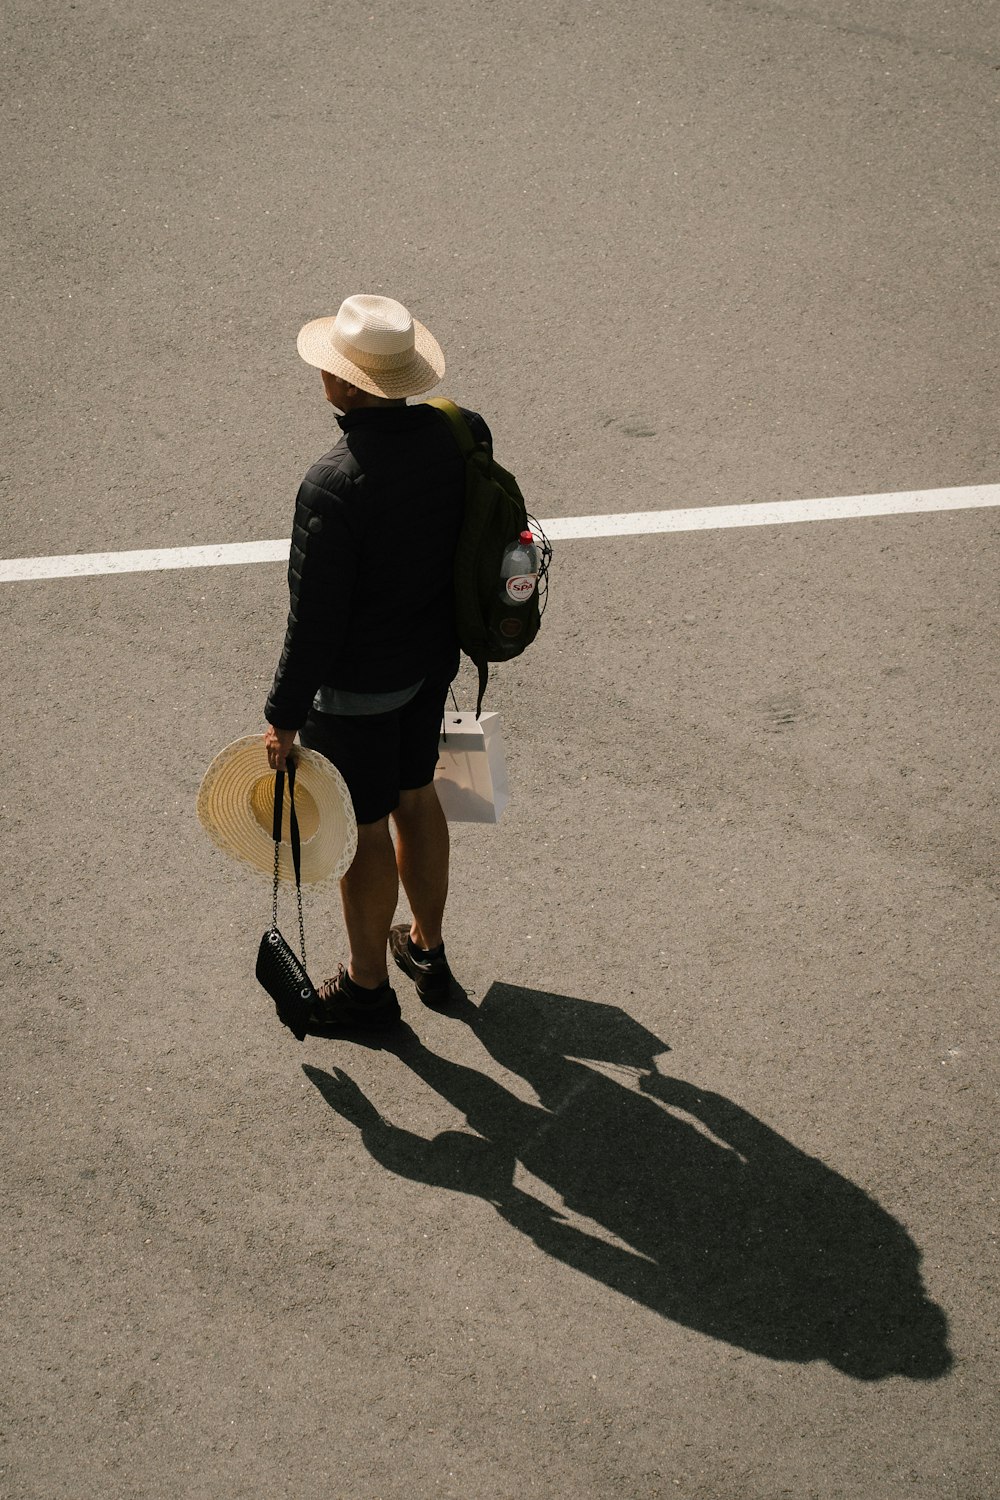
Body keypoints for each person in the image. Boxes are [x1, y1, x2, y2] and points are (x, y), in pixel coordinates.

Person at [263, 294, 490, 1030]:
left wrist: (283, 720)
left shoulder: (333, 484)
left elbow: (314, 623)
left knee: (361, 829)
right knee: (418, 795)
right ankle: (427, 949)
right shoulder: (459, 434)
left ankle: (365, 990)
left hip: (357, 692)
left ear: (349, 387)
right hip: (432, 665)